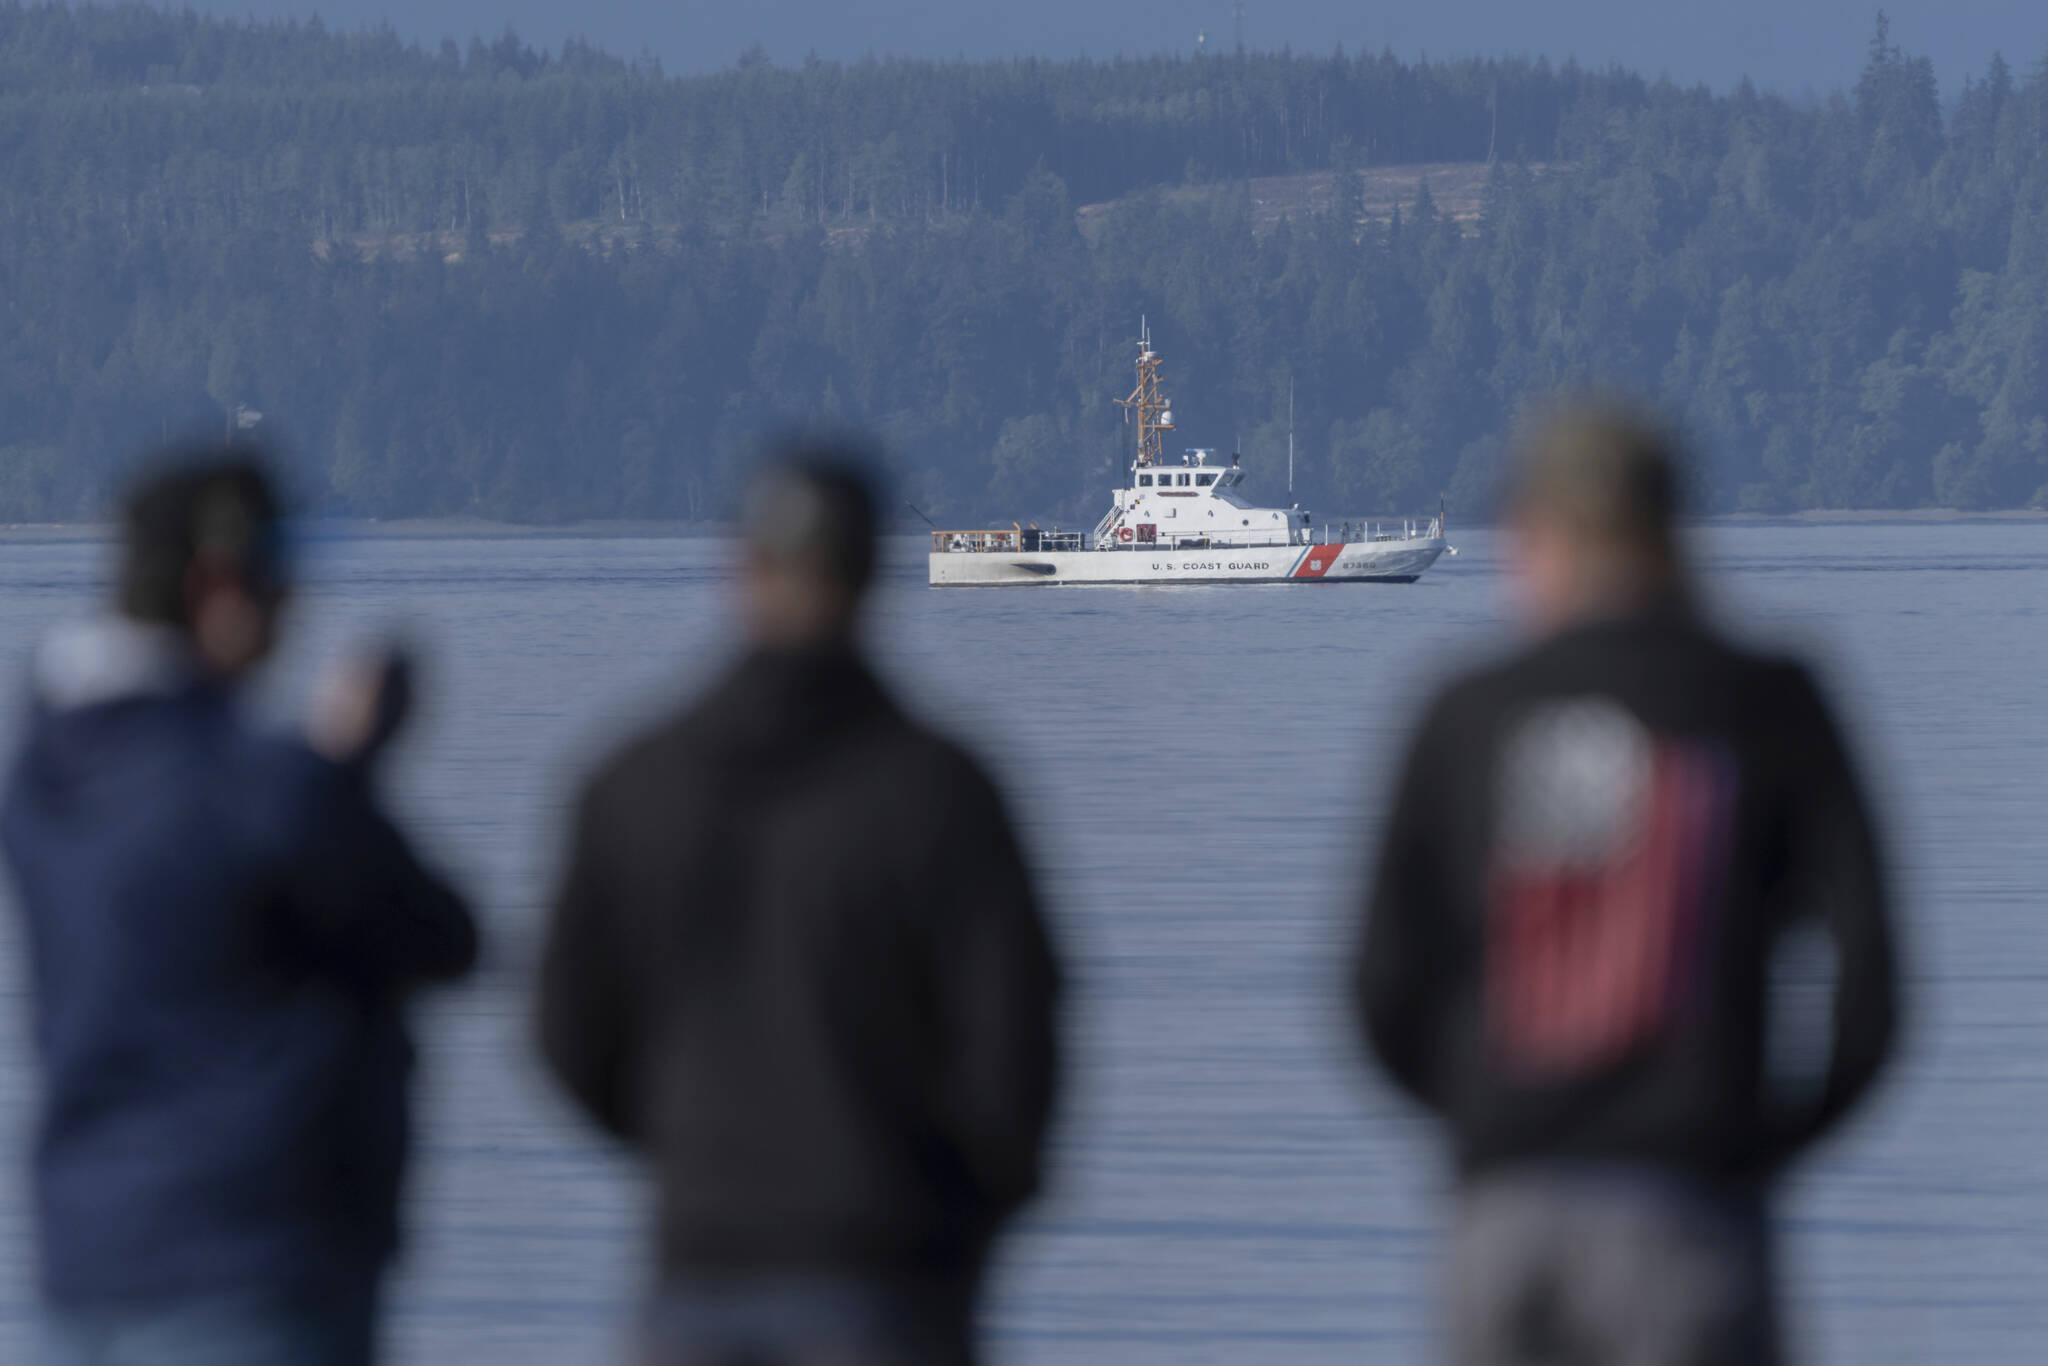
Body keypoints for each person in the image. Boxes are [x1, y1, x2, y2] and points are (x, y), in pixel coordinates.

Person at [1352, 407, 1900, 1366]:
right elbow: (1874, 987)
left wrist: (1486, 1118)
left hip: (1505, 1214)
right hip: (1690, 1201)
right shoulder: (1770, 700)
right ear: (1674, 529)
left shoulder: (1465, 712)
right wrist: (1765, 1142)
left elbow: (1377, 985)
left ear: (1531, 535)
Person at [538, 447, 1062, 1366]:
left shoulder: (630, 786)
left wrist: (688, 1142)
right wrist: (957, 1214)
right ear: (871, 578)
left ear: (738, 568)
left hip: (698, 1267)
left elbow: (567, 1037)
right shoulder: (944, 792)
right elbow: (1018, 1055)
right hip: (889, 1275)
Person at [1, 451, 477, 1366]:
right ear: (217, 584)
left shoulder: (47, 779)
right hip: (250, 1264)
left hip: (91, 1263)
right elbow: (441, 934)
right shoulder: (261, 790)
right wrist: (347, 765)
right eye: (277, 571)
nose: (293, 600)